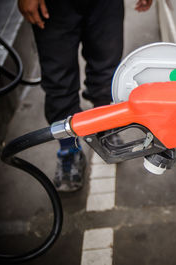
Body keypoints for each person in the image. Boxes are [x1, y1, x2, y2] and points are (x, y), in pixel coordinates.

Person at [17, 0, 153, 191]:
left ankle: (105, 129)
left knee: (108, 70)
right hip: (52, 6)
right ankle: (69, 149)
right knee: (58, 79)